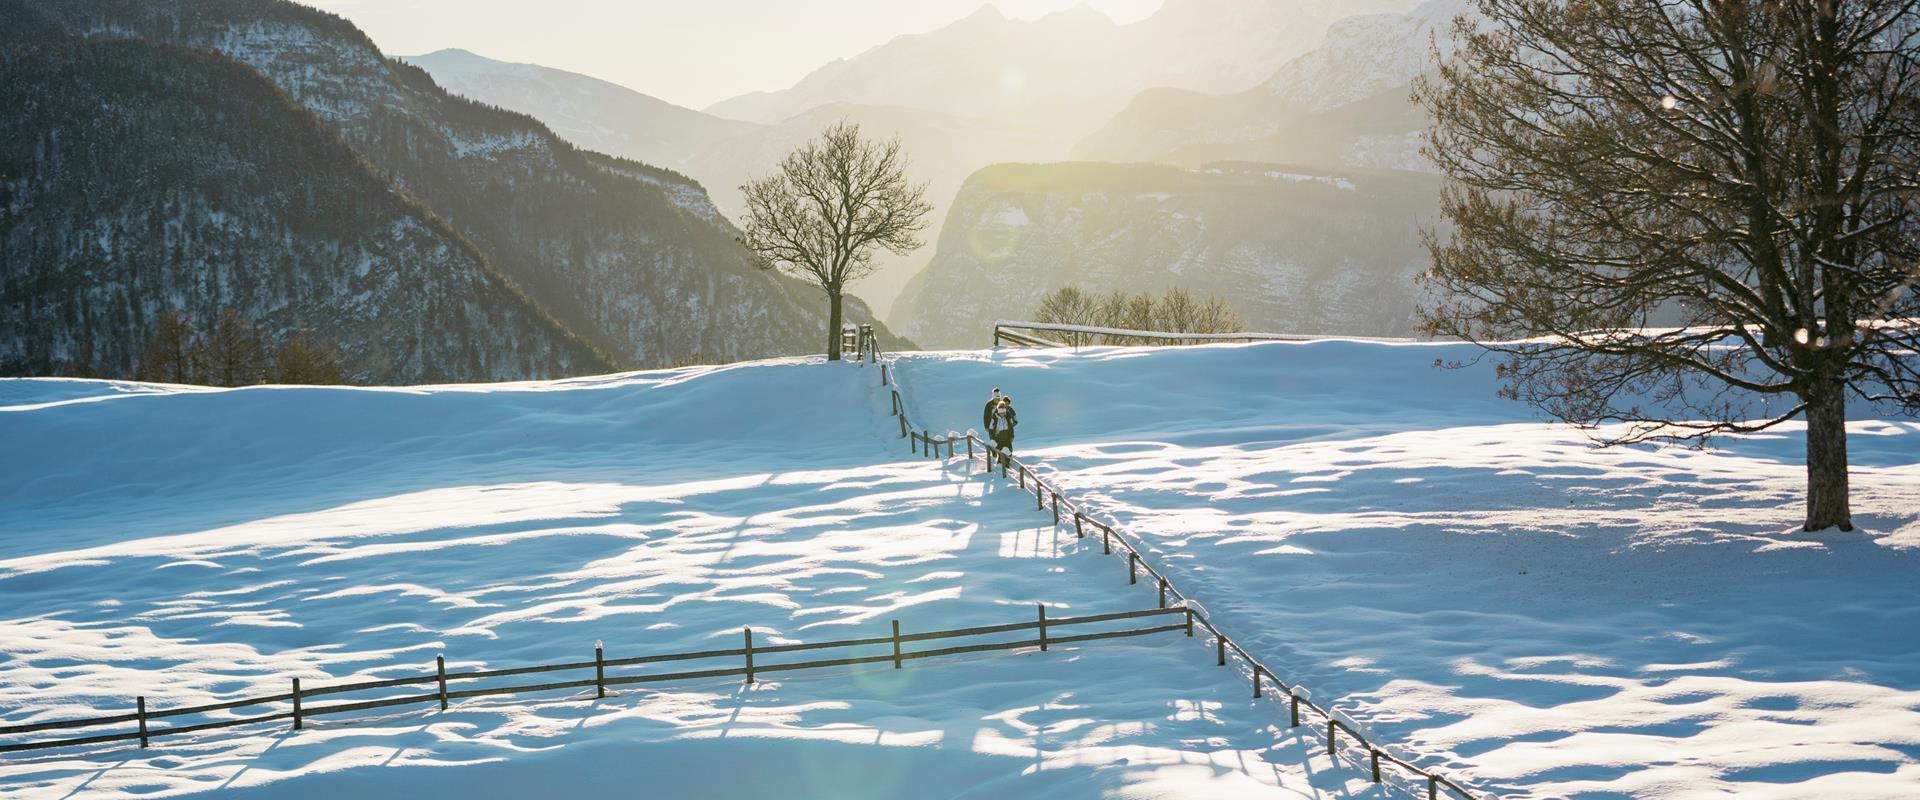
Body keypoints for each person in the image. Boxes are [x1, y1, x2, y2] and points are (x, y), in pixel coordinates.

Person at [982, 388, 1018, 455]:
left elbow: (1010, 410)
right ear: (993, 397)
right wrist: (987, 426)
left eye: (999, 398)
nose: (997, 399)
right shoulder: (989, 405)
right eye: (996, 398)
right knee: (994, 443)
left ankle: (1004, 458)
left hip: (1003, 429)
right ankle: (994, 455)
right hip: (993, 427)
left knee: (1004, 444)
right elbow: (986, 416)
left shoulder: (1002, 403)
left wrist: (1012, 423)